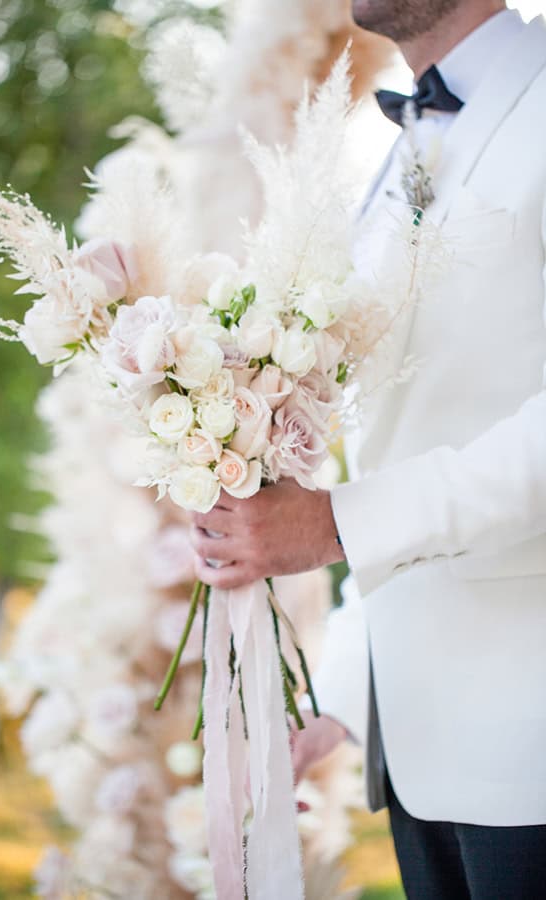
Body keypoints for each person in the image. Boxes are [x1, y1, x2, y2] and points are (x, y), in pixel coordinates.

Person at [190, 1, 546, 896]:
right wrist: (342, 697)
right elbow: (399, 438)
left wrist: (336, 525)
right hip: (420, 747)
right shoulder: (395, 155)